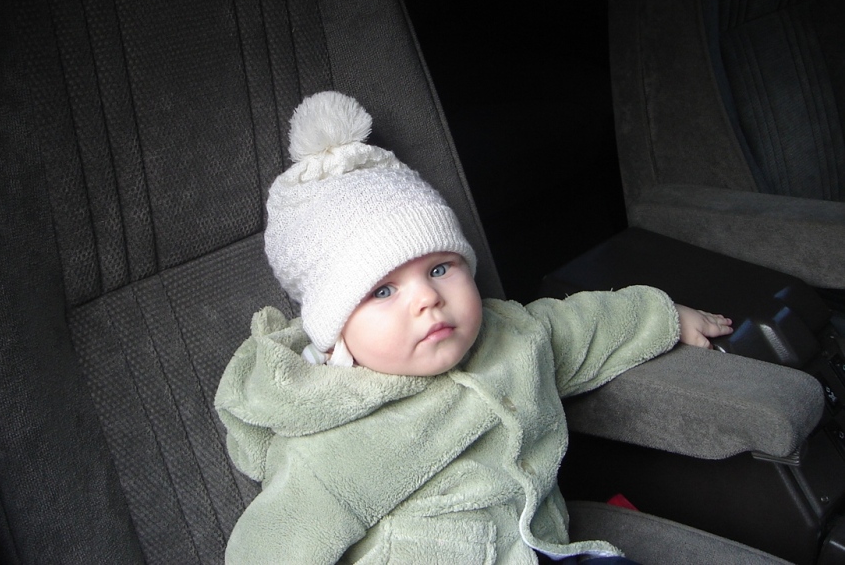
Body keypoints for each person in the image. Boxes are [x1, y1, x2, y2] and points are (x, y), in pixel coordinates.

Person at [214, 91, 733, 564]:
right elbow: (273, 543)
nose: (427, 298)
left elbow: (586, 327)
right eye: (383, 291)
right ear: (336, 335)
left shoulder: (513, 338)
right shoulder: (332, 446)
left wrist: (665, 316)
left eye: (440, 268)